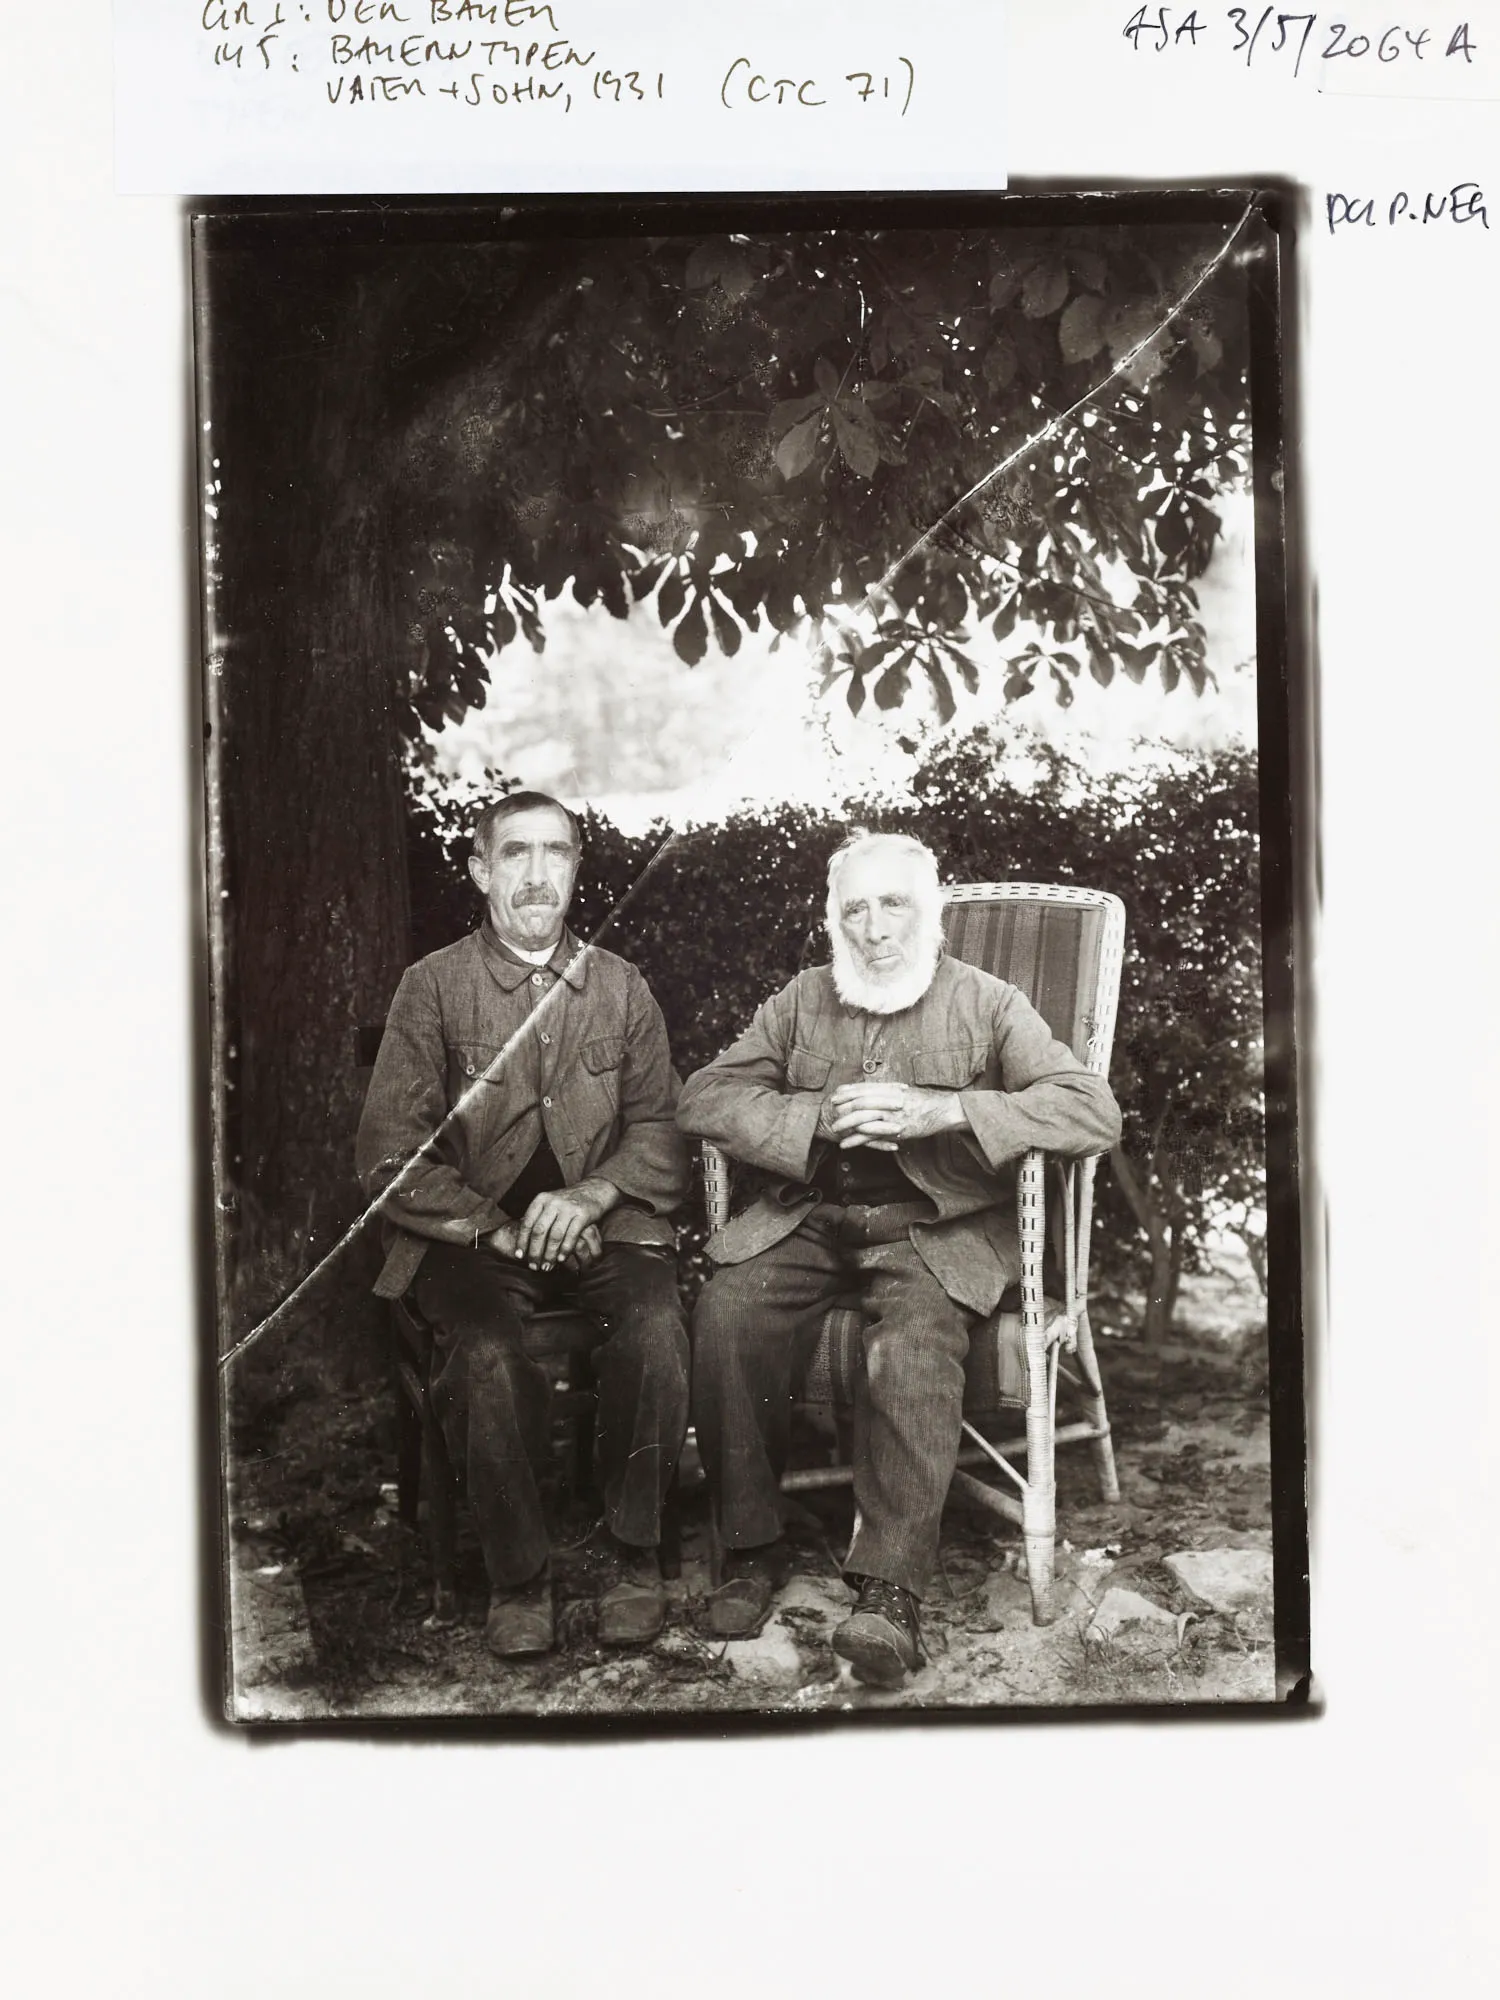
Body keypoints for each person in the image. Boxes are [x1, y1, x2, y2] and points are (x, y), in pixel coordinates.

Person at [677, 831, 1121, 1688]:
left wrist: (945, 1111)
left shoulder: (988, 1001)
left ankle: (890, 1596)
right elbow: (705, 1096)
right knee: (727, 1310)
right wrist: (813, 1120)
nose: (876, 928)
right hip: (811, 1217)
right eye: (856, 909)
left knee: (912, 1344)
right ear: (832, 920)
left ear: (932, 914)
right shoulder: (802, 1000)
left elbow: (1090, 1110)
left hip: (935, 1226)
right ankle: (750, 1549)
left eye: (894, 905)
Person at [356, 791, 690, 1658]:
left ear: (577, 868)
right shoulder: (432, 987)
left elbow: (661, 1129)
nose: (539, 874)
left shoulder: (622, 987)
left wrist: (593, 1197)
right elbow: (389, 1154)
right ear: (480, 870)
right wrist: (495, 1228)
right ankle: (519, 1579)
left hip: (601, 1230)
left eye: (557, 852)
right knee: (486, 1353)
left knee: (655, 1326)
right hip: (468, 1242)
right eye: (516, 853)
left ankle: (633, 1558)